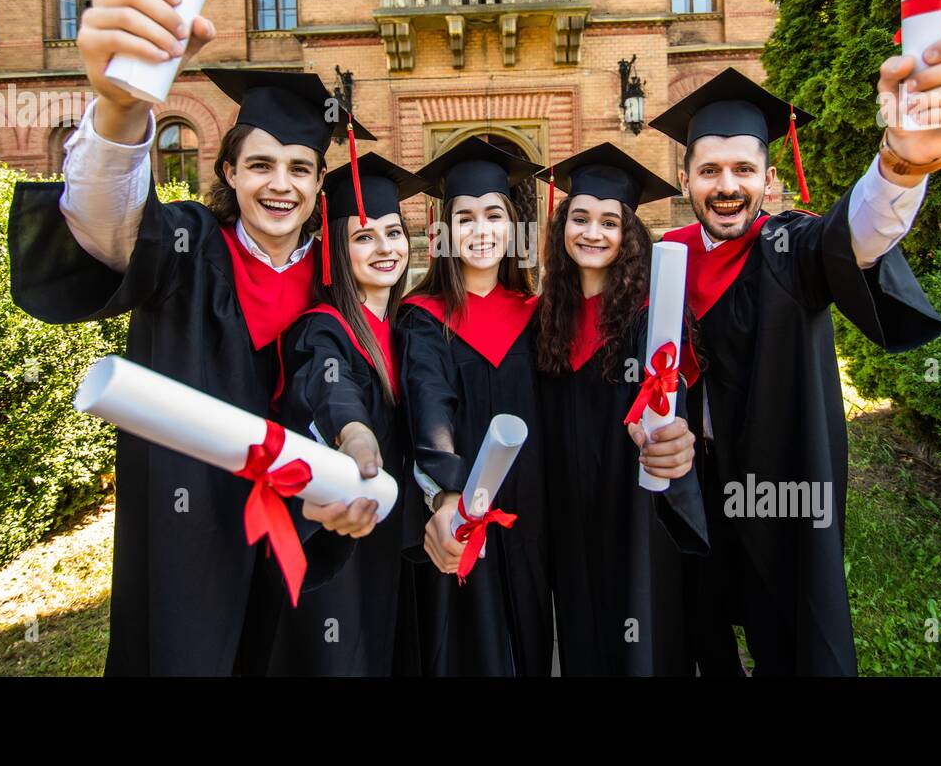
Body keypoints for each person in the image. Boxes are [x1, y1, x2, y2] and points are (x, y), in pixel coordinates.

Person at [7, 0, 376, 675]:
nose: (280, 184)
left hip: (305, 528)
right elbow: (102, 220)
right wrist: (119, 111)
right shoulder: (186, 248)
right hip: (191, 530)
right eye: (260, 165)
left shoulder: (338, 280)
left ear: (319, 185)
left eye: (300, 169)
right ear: (230, 173)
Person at [648, 34, 941, 675]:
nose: (727, 187)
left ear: (770, 180)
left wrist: (901, 164)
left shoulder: (794, 246)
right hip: (689, 485)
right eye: (710, 171)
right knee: (694, 624)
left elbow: (857, 236)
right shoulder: (667, 260)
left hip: (781, 486)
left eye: (744, 170)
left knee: (793, 629)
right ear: (685, 178)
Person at [534, 142, 708, 676]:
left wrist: (669, 436)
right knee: (582, 627)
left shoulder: (650, 318)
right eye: (580, 218)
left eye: (610, 222)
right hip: (567, 509)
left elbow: (668, 403)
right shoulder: (547, 317)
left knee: (639, 627)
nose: (592, 232)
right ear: (562, 227)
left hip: (631, 508)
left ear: (628, 236)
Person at [396, 136, 551, 675]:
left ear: (514, 229)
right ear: (441, 232)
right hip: (463, 514)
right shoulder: (422, 317)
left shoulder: (536, 314)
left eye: (494, 215)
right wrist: (450, 500)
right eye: (465, 218)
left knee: (530, 638)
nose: (481, 231)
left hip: (532, 518)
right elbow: (428, 405)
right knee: (469, 646)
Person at [268, 153, 428, 675]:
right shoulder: (325, 328)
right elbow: (330, 389)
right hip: (342, 546)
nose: (385, 248)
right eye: (363, 237)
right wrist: (356, 438)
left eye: (394, 232)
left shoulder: (406, 329)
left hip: (392, 546)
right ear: (337, 251)